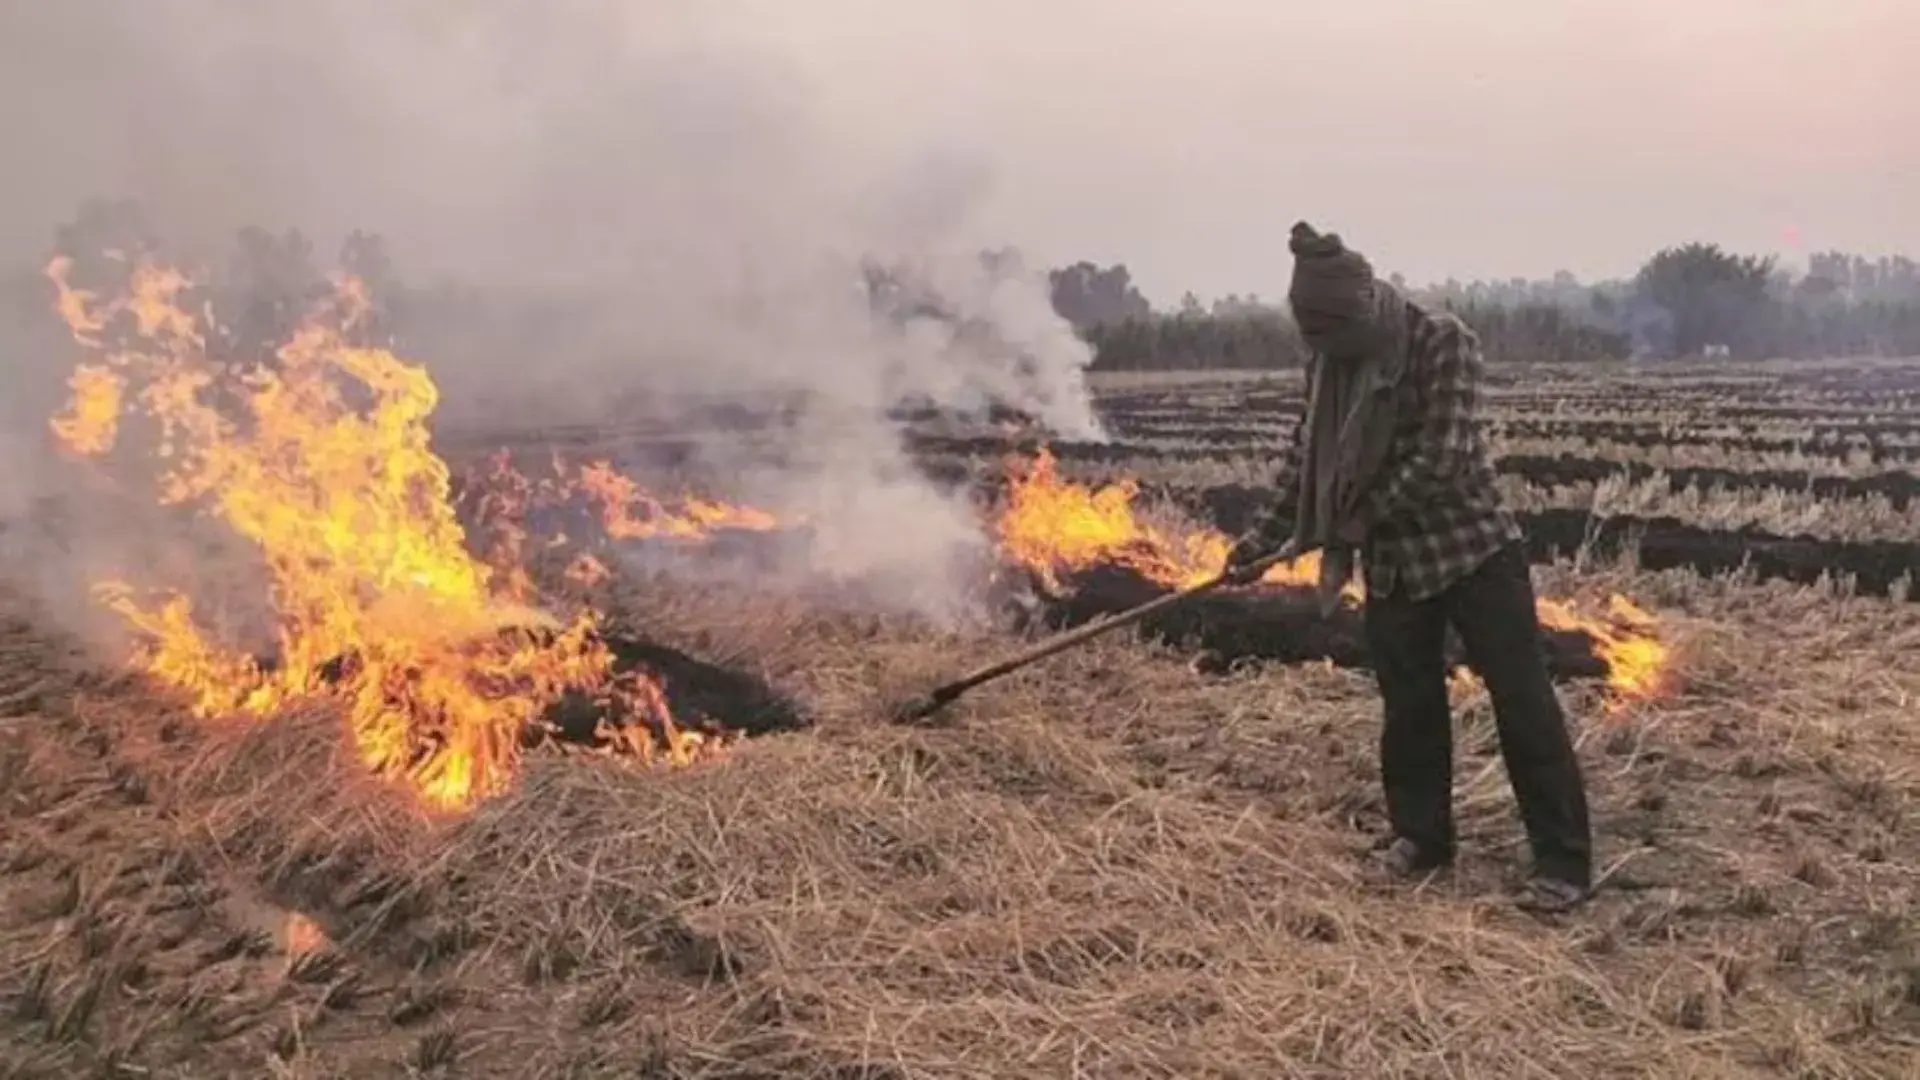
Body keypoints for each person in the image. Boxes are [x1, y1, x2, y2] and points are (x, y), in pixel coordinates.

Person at [1224, 222, 1593, 914]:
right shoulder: (1331, 362)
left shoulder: (1440, 339)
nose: (1326, 353)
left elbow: (1441, 457)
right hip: (1394, 566)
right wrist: (1258, 544)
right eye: (1316, 343)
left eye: (1332, 338)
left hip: (1473, 551)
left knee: (1523, 703)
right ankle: (1421, 838)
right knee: (1409, 707)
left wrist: (1354, 520)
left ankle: (1563, 860)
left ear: (1361, 311)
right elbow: (1308, 463)